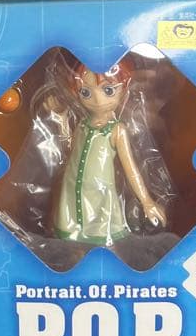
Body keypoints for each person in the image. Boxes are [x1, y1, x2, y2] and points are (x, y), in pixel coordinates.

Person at [46, 58, 166, 245]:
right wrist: (61, 119)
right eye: (85, 92)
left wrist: (146, 201)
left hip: (101, 193)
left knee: (102, 238)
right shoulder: (82, 124)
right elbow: (70, 149)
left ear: (123, 89)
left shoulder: (117, 130)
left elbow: (131, 169)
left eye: (108, 90)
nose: (97, 100)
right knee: (71, 241)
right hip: (72, 187)